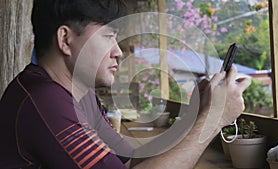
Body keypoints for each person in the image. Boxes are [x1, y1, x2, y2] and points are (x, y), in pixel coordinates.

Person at [0, 0, 251, 168]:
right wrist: (214, 120)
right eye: (108, 37)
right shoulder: (43, 101)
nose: (118, 52)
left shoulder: (80, 94)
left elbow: (132, 161)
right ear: (65, 40)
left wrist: (196, 114)